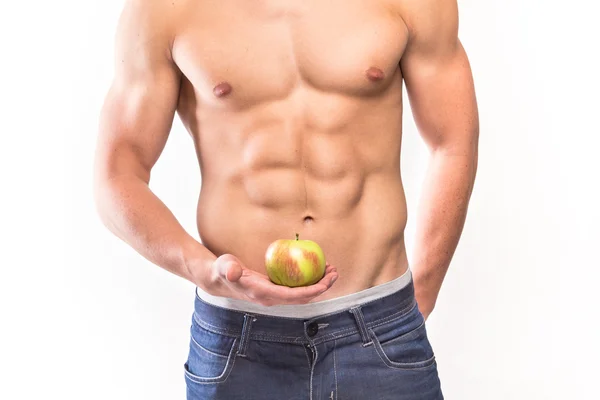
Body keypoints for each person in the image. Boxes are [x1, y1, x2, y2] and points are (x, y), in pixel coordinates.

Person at [94, 0, 478, 398]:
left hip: (381, 323)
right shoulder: (164, 10)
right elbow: (117, 174)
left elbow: (453, 143)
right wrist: (204, 270)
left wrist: (417, 300)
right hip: (236, 336)